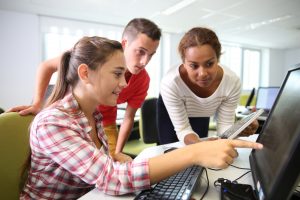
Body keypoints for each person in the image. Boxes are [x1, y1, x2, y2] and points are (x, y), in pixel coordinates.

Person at [20, 36, 263, 199]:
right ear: (85, 73)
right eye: (117, 74)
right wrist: (193, 153)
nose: (124, 83)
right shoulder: (53, 122)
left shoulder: (91, 113)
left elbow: (99, 169)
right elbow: (112, 179)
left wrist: (115, 158)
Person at [8, 18, 161, 162]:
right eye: (140, 51)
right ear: (125, 43)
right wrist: (37, 103)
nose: (145, 62)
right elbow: (46, 66)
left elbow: (129, 118)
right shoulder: (95, 56)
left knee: (107, 165)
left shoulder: (142, 80)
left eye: (151, 55)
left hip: (103, 123)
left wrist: (117, 153)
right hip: (74, 117)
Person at [157, 27, 259, 145]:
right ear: (184, 63)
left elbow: (224, 127)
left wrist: (237, 131)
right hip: (172, 111)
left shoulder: (232, 83)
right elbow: (182, 129)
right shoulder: (170, 83)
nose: (203, 74)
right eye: (194, 66)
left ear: (218, 59)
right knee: (170, 151)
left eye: (209, 64)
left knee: (200, 150)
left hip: (201, 109)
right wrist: (203, 146)